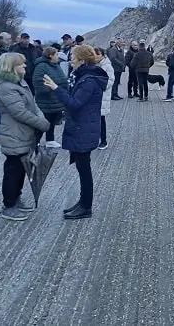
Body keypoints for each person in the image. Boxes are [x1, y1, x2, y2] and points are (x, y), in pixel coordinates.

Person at [43, 45, 108, 220]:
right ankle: (83, 202)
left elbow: (74, 103)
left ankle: (86, 206)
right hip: (82, 127)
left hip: (83, 128)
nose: (71, 59)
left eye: (73, 57)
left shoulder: (89, 80)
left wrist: (56, 88)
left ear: (81, 60)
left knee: (84, 169)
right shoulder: (84, 77)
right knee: (81, 167)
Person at [0, 52, 51, 222]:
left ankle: (16, 199)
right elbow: (20, 113)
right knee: (13, 171)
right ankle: (9, 205)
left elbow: (33, 103)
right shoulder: (5, 87)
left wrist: (41, 117)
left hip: (25, 133)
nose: (25, 66)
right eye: (21, 64)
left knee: (22, 169)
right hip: (15, 133)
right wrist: (42, 124)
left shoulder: (19, 82)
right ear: (11, 66)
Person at [32, 47, 68, 148]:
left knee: (52, 121)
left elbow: (62, 79)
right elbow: (37, 82)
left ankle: (50, 140)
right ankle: (35, 141)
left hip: (56, 99)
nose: (58, 56)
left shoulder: (56, 66)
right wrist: (51, 88)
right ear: (50, 55)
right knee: (44, 122)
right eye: (56, 54)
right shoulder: (41, 66)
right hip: (46, 100)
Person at [94, 47, 115, 149]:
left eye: (97, 54)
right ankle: (95, 139)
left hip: (102, 96)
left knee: (101, 120)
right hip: (94, 96)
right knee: (94, 120)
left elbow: (110, 81)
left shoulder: (107, 66)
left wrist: (98, 84)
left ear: (102, 55)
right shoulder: (94, 65)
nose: (95, 57)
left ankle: (103, 140)